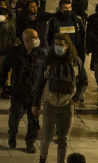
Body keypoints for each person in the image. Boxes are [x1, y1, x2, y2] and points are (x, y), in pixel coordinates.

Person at [32, 33, 87, 163]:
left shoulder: (75, 61)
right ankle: (43, 159)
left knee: (64, 139)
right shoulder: (48, 60)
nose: (57, 47)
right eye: (55, 44)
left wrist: (76, 98)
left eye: (61, 45)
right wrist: (36, 104)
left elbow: (84, 81)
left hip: (67, 105)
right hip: (50, 103)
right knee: (47, 137)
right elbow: (39, 82)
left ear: (68, 46)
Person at [1, 28, 45, 152]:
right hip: (18, 92)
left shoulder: (41, 53)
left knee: (34, 119)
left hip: (34, 93)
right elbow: (5, 68)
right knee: (15, 116)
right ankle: (12, 134)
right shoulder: (15, 52)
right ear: (26, 40)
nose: (37, 40)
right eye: (34, 38)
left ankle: (30, 142)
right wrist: (3, 85)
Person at [45, 0, 86, 67]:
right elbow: (48, 37)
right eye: (65, 8)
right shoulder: (54, 21)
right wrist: (51, 50)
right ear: (60, 9)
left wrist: (82, 50)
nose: (68, 10)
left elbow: (82, 36)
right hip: (59, 54)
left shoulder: (77, 20)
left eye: (70, 7)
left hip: (73, 54)